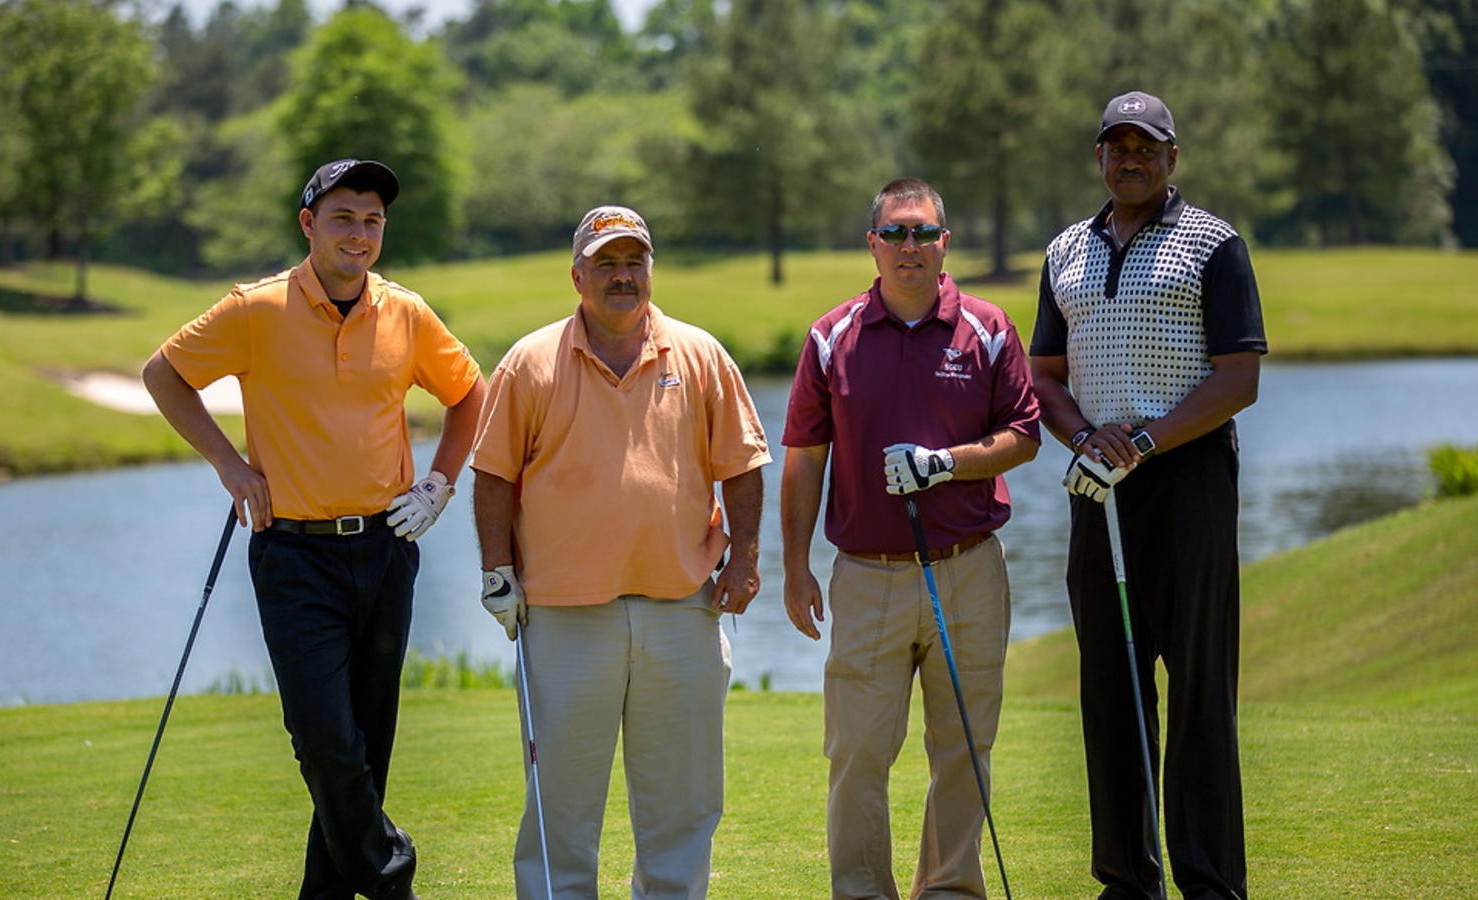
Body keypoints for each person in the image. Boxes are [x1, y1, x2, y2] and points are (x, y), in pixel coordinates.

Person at [143, 158, 487, 900]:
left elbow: (470, 394)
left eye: (372, 221)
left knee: (366, 745)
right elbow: (164, 375)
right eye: (343, 217)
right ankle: (392, 874)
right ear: (309, 225)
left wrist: (438, 484)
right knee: (327, 742)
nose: (360, 235)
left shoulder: (405, 312)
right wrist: (231, 469)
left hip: (387, 549)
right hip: (294, 555)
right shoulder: (253, 310)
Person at [469, 205, 769, 900]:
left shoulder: (698, 353)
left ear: (651, 271)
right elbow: (492, 476)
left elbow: (745, 464)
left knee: (683, 801)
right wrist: (496, 572)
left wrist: (747, 558)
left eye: (634, 261)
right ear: (577, 275)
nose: (622, 276)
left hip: (682, 606)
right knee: (562, 806)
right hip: (563, 613)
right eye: (606, 263)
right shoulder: (530, 361)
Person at [1029, 92, 1267, 900]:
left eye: (1146, 145)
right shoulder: (1066, 250)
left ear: (1172, 156)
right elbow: (1044, 377)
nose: (1130, 157)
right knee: (1111, 682)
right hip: (1099, 485)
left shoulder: (1214, 244)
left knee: (1198, 685)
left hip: (1189, 478)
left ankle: (1209, 883)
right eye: (1116, 145)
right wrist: (1086, 440)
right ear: (1098, 156)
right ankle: (1128, 879)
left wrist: (1147, 438)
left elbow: (1239, 378)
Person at [780, 177, 1041, 899]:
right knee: (859, 751)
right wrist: (796, 569)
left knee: (962, 745)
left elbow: (1024, 436)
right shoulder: (831, 337)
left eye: (924, 232)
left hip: (969, 570)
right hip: (867, 574)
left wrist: (945, 466)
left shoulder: (987, 328)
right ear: (873, 245)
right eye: (895, 233)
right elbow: (804, 456)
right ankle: (862, 891)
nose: (910, 246)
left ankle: (951, 890)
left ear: (944, 243)